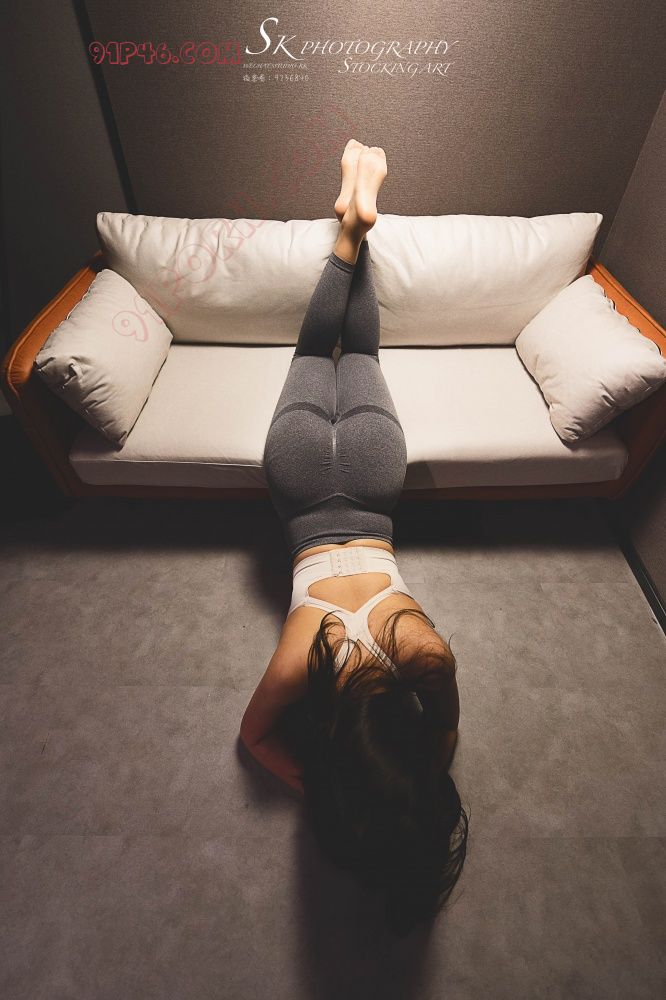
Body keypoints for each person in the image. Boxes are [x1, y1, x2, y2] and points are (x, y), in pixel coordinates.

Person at [241, 141, 469, 937]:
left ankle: (355, 222)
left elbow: (444, 730)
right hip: (300, 479)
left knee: (358, 350)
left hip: (373, 480)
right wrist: (321, 782)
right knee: (317, 354)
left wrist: (422, 763)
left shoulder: (426, 654)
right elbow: (255, 739)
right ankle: (352, 225)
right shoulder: (303, 660)